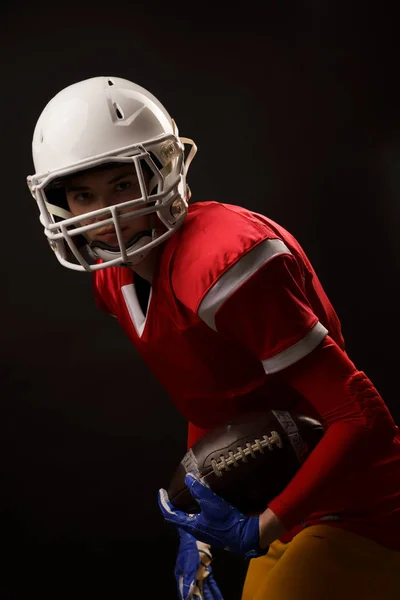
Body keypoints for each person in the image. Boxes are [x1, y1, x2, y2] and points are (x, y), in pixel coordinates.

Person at [27, 75, 400, 600]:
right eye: (84, 195)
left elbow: (361, 417)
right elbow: (212, 404)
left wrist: (262, 525)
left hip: (359, 504)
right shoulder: (113, 279)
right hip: (283, 501)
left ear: (163, 171)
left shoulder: (223, 265)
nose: (105, 213)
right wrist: (196, 525)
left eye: (122, 185)